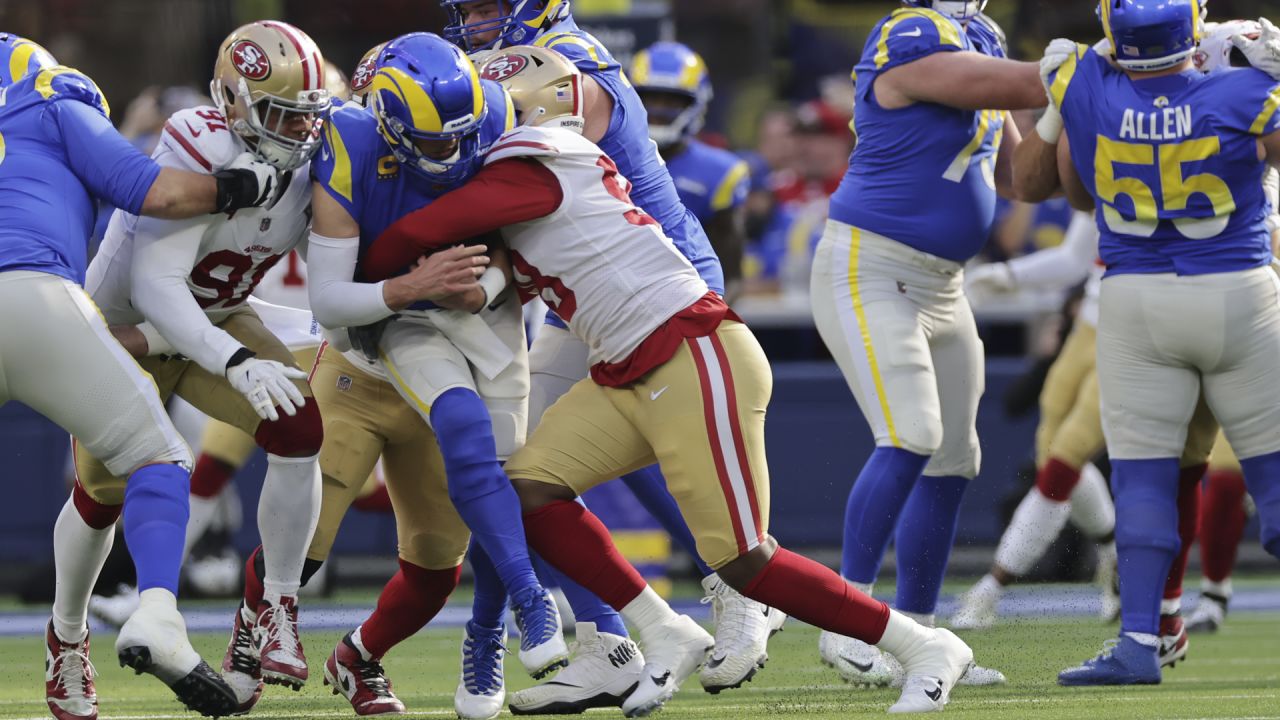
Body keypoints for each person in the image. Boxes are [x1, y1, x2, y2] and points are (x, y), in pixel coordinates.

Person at [363, 44, 976, 716]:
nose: (461, 133)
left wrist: (351, 225)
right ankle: (663, 630)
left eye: (473, 115)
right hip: (626, 366)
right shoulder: (533, 169)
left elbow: (407, 238)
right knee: (529, 491)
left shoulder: (529, 160)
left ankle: (923, 645)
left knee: (744, 562)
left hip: (691, 351)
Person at [439, 2, 786, 707]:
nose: (473, 20)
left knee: (669, 458)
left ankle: (741, 583)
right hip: (587, 297)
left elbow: (506, 160)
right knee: (522, 469)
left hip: (656, 281)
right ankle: (610, 642)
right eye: (466, 7)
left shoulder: (570, 64)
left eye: (486, 6)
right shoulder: (510, 65)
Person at [289, 32, 569, 719]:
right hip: (373, 341)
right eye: (434, 142)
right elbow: (328, 298)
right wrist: (411, 285)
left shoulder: (500, 113)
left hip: (477, 316)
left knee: (461, 531)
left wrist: (493, 285)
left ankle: (459, 638)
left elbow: (526, 236)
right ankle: (251, 640)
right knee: (298, 543)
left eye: (462, 136)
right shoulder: (348, 143)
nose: (453, 153)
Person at [0, 31, 278, 720]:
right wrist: (241, 184)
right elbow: (149, 190)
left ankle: (70, 647)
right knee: (157, 456)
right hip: (30, 294)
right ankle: (149, 618)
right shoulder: (48, 100)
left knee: (102, 483)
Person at [1015, 0, 1280, 685]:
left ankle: (1139, 640)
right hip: (1237, 292)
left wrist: (1061, 96)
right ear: (1190, 28)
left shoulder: (1082, 80)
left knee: (1143, 481)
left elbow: (1041, 186)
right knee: (1272, 478)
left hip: (1135, 301)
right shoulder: (1244, 89)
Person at [806, 0, 1045, 686]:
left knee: (953, 459)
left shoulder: (985, 40)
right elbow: (985, 84)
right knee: (910, 434)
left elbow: (1018, 178)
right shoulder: (909, 30)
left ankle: (921, 638)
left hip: (944, 283)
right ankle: (843, 619)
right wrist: (1074, 71)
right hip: (873, 267)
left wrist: (1069, 121)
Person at [631, 41, 749, 302]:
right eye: (650, 98)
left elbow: (731, 276)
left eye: (671, 100)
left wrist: (708, 321)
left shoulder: (719, 173)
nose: (658, 110)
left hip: (687, 305)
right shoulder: (602, 157)